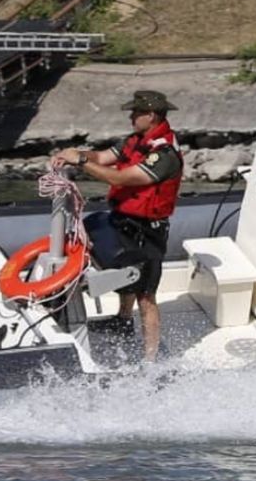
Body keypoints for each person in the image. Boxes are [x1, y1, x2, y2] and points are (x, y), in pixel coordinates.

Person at [51, 90, 183, 362]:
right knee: (124, 269)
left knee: (146, 294)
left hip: (148, 230)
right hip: (124, 220)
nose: (131, 116)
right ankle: (122, 321)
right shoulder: (133, 141)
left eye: (136, 113)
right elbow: (102, 157)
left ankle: (150, 360)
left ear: (151, 116)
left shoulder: (164, 154)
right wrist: (76, 153)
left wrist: (82, 162)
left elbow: (123, 178)